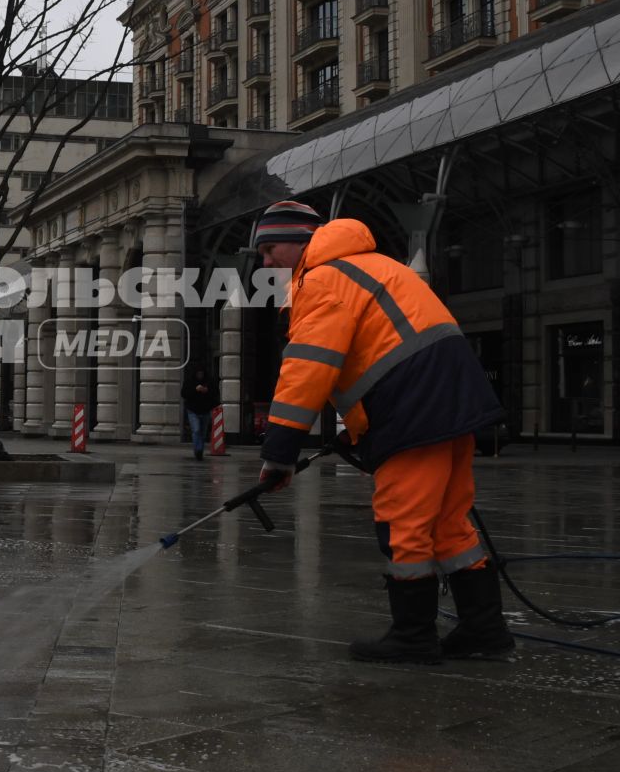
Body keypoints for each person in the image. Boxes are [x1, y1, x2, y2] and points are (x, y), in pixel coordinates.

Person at [251, 200, 513, 663]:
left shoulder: (323, 278)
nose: (267, 262)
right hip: (450, 402)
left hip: (414, 408)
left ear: (301, 241)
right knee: (449, 521)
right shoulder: (377, 265)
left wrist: (279, 453)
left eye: (271, 249)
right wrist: (357, 427)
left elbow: (309, 369)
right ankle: (483, 630)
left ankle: (413, 636)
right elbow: (382, 347)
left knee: (402, 522)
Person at [181, 361, 216, 460]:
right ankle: (198, 450)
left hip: (205, 410)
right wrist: (195, 389)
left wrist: (207, 391)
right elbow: (184, 394)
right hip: (193, 410)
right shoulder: (189, 381)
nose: (200, 375)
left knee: (203, 432)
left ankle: (199, 449)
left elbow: (215, 393)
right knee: (196, 430)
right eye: (198, 373)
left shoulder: (209, 381)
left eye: (201, 373)